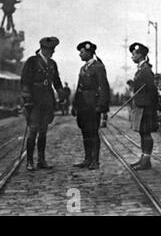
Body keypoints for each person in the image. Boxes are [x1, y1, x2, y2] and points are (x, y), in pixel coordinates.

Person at [21, 37, 63, 171]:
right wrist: (27, 100)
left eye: (53, 49)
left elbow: (56, 81)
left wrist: (62, 95)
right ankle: (29, 161)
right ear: (43, 49)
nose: (53, 52)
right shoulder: (31, 62)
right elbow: (25, 81)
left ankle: (41, 160)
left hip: (47, 101)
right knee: (33, 131)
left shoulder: (52, 64)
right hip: (34, 102)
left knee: (43, 131)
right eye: (51, 50)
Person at [72, 41, 110, 170]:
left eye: (82, 52)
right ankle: (87, 159)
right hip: (82, 105)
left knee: (93, 132)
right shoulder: (83, 68)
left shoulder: (98, 67)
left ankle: (95, 161)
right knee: (84, 132)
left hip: (93, 105)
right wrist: (74, 104)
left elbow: (104, 87)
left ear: (89, 52)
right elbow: (78, 88)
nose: (80, 55)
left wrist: (102, 105)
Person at [128, 42, 159, 170]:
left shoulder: (146, 70)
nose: (132, 57)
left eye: (133, 54)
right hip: (141, 104)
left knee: (146, 133)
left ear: (140, 55)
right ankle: (143, 158)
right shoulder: (141, 69)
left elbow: (152, 90)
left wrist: (150, 105)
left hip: (146, 106)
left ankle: (146, 160)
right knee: (142, 133)